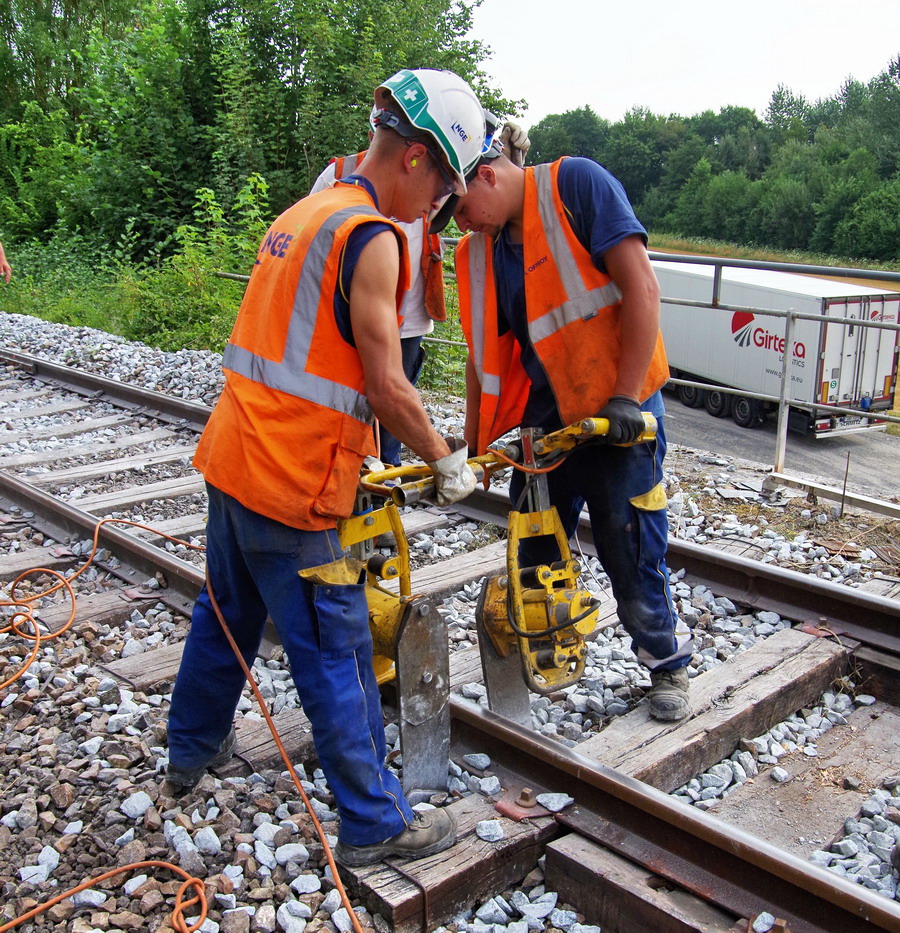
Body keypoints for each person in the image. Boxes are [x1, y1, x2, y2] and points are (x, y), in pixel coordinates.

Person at [165, 68, 484, 867]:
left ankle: (189, 751)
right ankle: (375, 820)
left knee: (226, 612)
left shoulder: (305, 213)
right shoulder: (370, 238)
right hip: (292, 480)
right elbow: (387, 384)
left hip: (235, 456)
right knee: (335, 649)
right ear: (416, 157)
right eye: (442, 186)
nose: (437, 206)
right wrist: (445, 457)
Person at [452, 142, 694, 722]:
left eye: (459, 208)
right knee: (533, 549)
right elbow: (484, 358)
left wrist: (626, 396)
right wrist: (475, 449)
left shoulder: (577, 187)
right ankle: (546, 654)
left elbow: (642, 288)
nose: (460, 223)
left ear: (486, 175)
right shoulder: (482, 252)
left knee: (629, 545)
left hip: (618, 415)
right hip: (546, 422)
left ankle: (666, 663)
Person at [310, 116, 530, 467]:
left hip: (407, 319)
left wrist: (513, 165)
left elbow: (491, 193)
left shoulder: (432, 173)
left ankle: (383, 474)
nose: (432, 207)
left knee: (391, 422)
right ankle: (352, 473)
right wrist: (446, 464)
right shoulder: (342, 179)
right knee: (357, 408)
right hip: (351, 319)